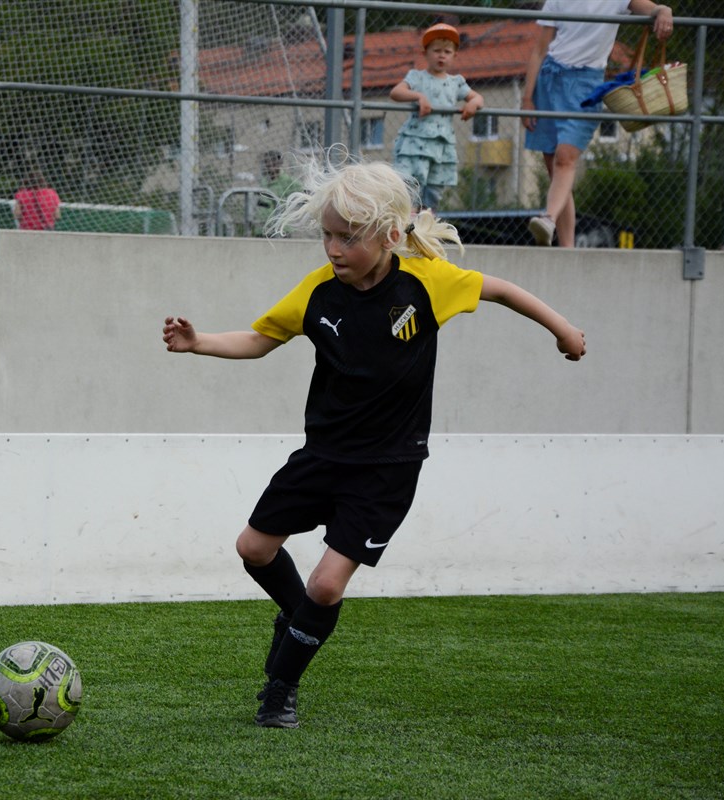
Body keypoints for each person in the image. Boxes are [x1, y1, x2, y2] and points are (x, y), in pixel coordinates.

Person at [161, 151, 586, 729]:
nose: (333, 249)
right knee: (253, 548)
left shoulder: (426, 282)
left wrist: (563, 331)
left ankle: (280, 690)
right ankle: (299, 622)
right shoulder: (317, 292)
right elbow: (261, 338)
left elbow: (504, 291)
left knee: (326, 584)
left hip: (388, 466)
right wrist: (199, 342)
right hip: (321, 456)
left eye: (347, 238)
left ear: (388, 236)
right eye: (327, 236)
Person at [522, 0, 673, 247]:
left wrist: (663, 11)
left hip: (585, 83)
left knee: (565, 158)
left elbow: (650, 7)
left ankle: (548, 218)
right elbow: (539, 50)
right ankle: (567, 248)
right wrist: (527, 98)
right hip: (549, 79)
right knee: (555, 168)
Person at [390, 23, 484, 212]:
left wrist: (473, 103)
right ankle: (407, 216)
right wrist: (418, 96)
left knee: (434, 187)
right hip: (416, 141)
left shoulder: (456, 82)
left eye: (447, 52)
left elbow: (478, 98)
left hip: (441, 144)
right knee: (409, 182)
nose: (442, 55)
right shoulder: (417, 77)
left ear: (455, 56)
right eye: (436, 51)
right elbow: (396, 92)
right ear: (425, 53)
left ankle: (427, 220)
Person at [255, 151, 303, 235]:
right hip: (262, 227)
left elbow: (303, 192)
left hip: (280, 228)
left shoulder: (288, 181)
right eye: (267, 161)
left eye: (273, 160)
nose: (270, 163)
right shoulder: (263, 181)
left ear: (280, 163)